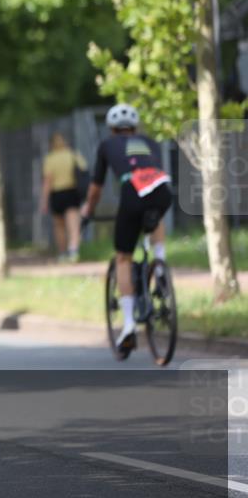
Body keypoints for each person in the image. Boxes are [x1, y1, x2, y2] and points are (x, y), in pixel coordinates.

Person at [80, 104, 173, 356]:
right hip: (162, 190)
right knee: (156, 215)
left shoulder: (106, 145)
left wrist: (88, 211)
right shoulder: (149, 142)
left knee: (123, 258)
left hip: (132, 193)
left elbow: (96, 188)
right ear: (135, 126)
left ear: (111, 129)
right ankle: (161, 263)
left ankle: (130, 325)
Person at [39, 133, 86, 262]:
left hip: (57, 194)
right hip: (71, 192)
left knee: (59, 226)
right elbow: (84, 171)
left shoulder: (50, 158)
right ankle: (74, 250)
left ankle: (63, 253)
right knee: (74, 224)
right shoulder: (73, 155)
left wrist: (44, 201)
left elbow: (48, 181)